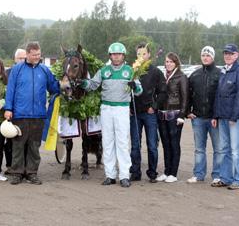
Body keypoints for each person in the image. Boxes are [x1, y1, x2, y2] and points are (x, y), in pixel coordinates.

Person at [80, 42, 142, 188]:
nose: (116, 57)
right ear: (110, 56)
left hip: (122, 109)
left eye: (119, 54)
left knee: (122, 142)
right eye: (114, 54)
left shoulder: (130, 70)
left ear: (123, 55)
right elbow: (93, 85)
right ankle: (110, 175)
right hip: (106, 108)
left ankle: (125, 176)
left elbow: (139, 91)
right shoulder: (104, 70)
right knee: (108, 142)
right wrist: (83, 83)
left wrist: (136, 86)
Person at [4, 42, 60, 185]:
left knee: (34, 146)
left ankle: (32, 173)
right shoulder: (17, 70)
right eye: (34, 55)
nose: (37, 57)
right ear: (27, 54)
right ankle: (17, 173)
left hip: (39, 115)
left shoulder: (45, 70)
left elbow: (54, 87)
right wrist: (8, 109)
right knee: (18, 145)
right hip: (20, 114)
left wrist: (63, 84)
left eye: (39, 54)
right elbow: (10, 90)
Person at [212, 44, 239, 190]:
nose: (227, 55)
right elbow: (218, 95)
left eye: (230, 53)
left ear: (236, 55)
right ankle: (226, 178)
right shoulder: (224, 71)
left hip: (234, 118)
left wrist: (234, 116)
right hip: (222, 117)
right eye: (225, 53)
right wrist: (215, 115)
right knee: (224, 149)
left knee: (235, 150)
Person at [129, 43, 166, 183]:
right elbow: (126, 92)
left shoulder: (156, 72)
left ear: (149, 55)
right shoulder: (132, 71)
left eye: (144, 53)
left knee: (152, 145)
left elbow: (163, 92)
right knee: (135, 145)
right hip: (135, 113)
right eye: (139, 54)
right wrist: (129, 107)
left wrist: (154, 106)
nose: (141, 56)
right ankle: (135, 172)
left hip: (150, 113)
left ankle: (152, 173)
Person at [186, 46, 222, 184]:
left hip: (215, 119)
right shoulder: (195, 75)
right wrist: (188, 111)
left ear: (213, 57)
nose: (205, 57)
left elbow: (222, 97)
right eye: (203, 55)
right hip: (198, 118)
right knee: (199, 149)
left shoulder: (220, 74)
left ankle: (217, 175)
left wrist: (217, 115)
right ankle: (198, 174)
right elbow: (188, 95)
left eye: (208, 55)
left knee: (218, 149)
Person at [156, 52, 188, 183]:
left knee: (174, 144)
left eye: (171, 62)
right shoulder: (164, 76)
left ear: (176, 63)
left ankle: (173, 173)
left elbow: (186, 97)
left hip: (175, 115)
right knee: (165, 144)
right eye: (167, 61)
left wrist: (182, 115)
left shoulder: (181, 77)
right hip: (163, 114)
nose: (168, 64)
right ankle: (166, 171)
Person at [3, 48, 27, 174]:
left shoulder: (29, 72)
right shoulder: (7, 73)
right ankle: (10, 166)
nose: (22, 60)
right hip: (11, 112)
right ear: (15, 59)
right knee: (10, 142)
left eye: (24, 58)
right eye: (20, 58)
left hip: (25, 113)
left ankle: (24, 167)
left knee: (25, 141)